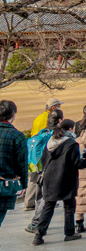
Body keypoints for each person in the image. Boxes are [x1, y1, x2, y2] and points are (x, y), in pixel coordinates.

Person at [34, 116, 86, 245]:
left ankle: (38, 235)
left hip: (50, 179)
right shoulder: (71, 144)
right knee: (69, 206)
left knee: (48, 206)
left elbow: (43, 161)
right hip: (66, 179)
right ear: (71, 129)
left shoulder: (50, 142)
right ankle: (69, 233)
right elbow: (77, 164)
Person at [25, 98, 63, 212]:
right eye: (58, 106)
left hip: (34, 154)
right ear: (53, 108)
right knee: (45, 179)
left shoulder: (38, 118)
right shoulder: (48, 118)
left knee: (33, 179)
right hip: (44, 152)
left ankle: (29, 202)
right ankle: (47, 200)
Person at [0, 100, 28, 234]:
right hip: (5, 185)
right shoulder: (17, 136)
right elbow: (22, 163)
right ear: (13, 115)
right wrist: (23, 184)